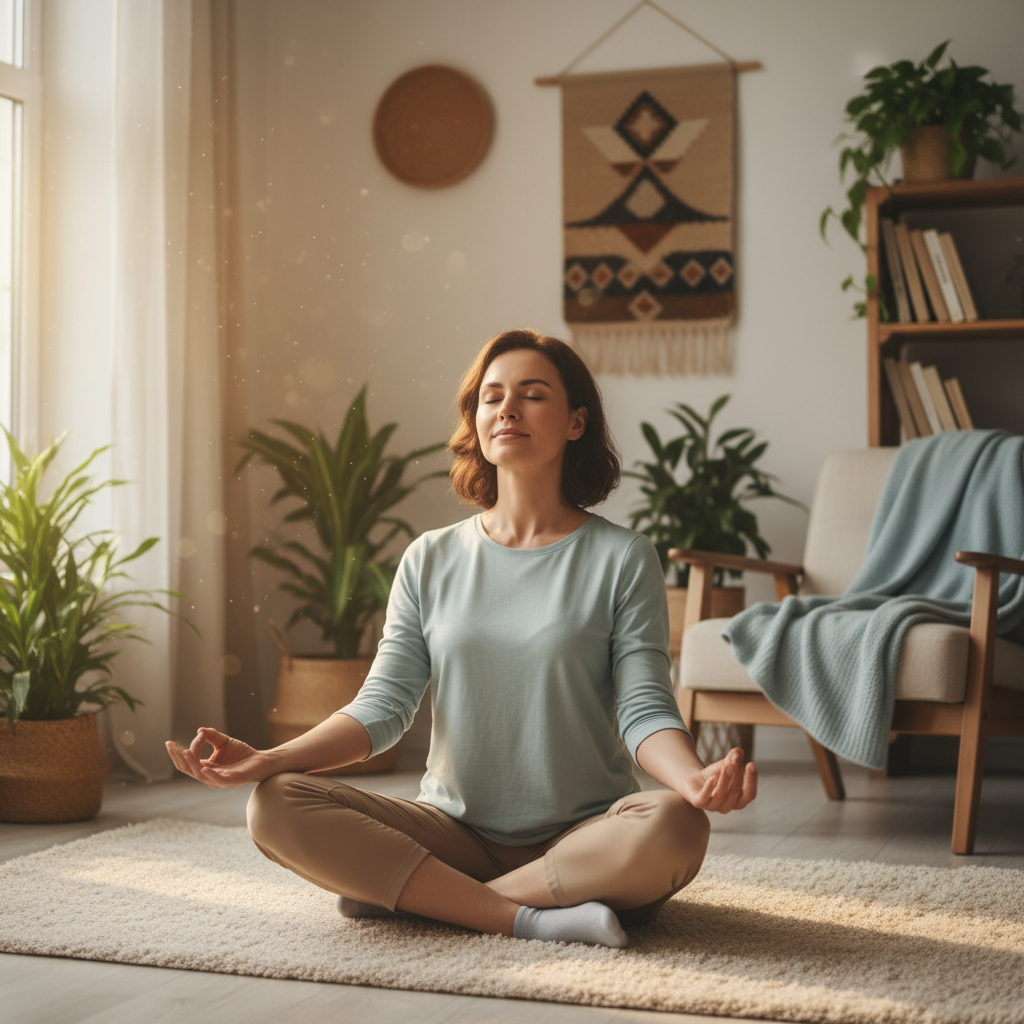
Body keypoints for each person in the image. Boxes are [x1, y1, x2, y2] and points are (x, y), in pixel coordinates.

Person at [166, 328, 757, 949]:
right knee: (276, 804)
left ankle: (424, 899)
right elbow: (382, 708)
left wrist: (692, 780)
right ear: (475, 422)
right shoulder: (429, 558)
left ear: (576, 422)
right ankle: (526, 915)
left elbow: (643, 710)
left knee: (676, 824)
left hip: (583, 839)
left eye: (532, 395)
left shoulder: (622, 557)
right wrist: (270, 758)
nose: (507, 408)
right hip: (452, 835)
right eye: (491, 396)